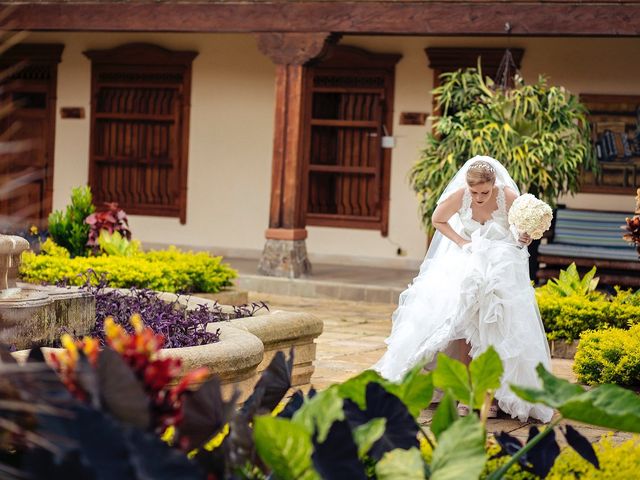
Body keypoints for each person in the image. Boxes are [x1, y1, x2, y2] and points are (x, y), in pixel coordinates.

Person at [373, 155, 553, 423]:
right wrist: (462, 242)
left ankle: (490, 393)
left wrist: (523, 236)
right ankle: (467, 392)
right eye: (474, 192)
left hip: (501, 263)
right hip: (468, 259)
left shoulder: (508, 196)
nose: (479, 198)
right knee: (464, 326)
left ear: (494, 185)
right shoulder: (461, 196)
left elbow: (517, 232)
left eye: (484, 192)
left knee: (495, 327)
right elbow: (438, 220)